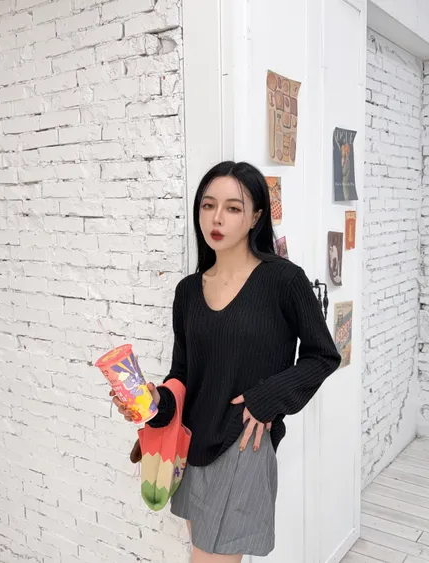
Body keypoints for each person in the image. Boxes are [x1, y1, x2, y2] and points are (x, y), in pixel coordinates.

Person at [111, 161, 341, 562]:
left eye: (233, 208)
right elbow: (183, 373)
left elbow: (323, 355)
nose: (216, 218)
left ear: (256, 217)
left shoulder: (284, 280)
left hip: (242, 442)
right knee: (203, 550)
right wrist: (154, 401)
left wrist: (266, 398)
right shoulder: (187, 291)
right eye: (208, 205)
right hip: (190, 445)